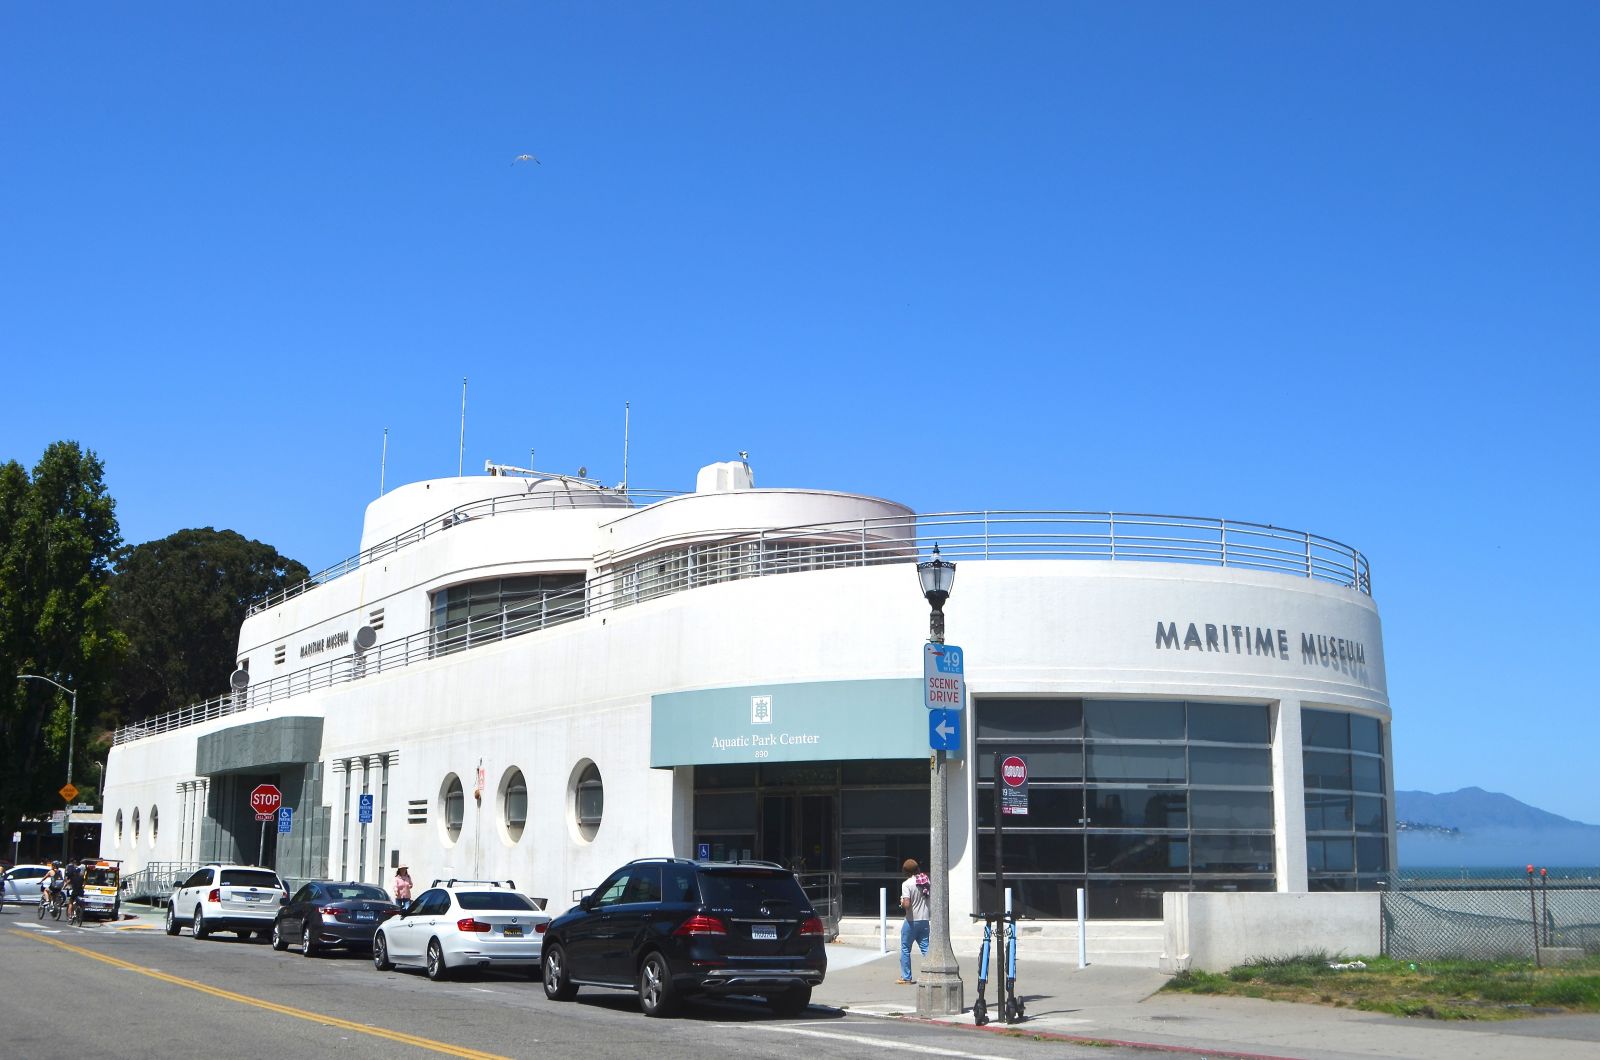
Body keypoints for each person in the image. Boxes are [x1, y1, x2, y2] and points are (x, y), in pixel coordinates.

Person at [898, 857, 931, 984]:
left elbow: (907, 904)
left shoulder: (906, 884)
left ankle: (906, 977)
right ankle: (931, 974)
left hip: (911, 921)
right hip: (924, 920)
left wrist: (901, 903)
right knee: (926, 948)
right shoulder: (925, 881)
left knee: (905, 948)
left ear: (906, 871)